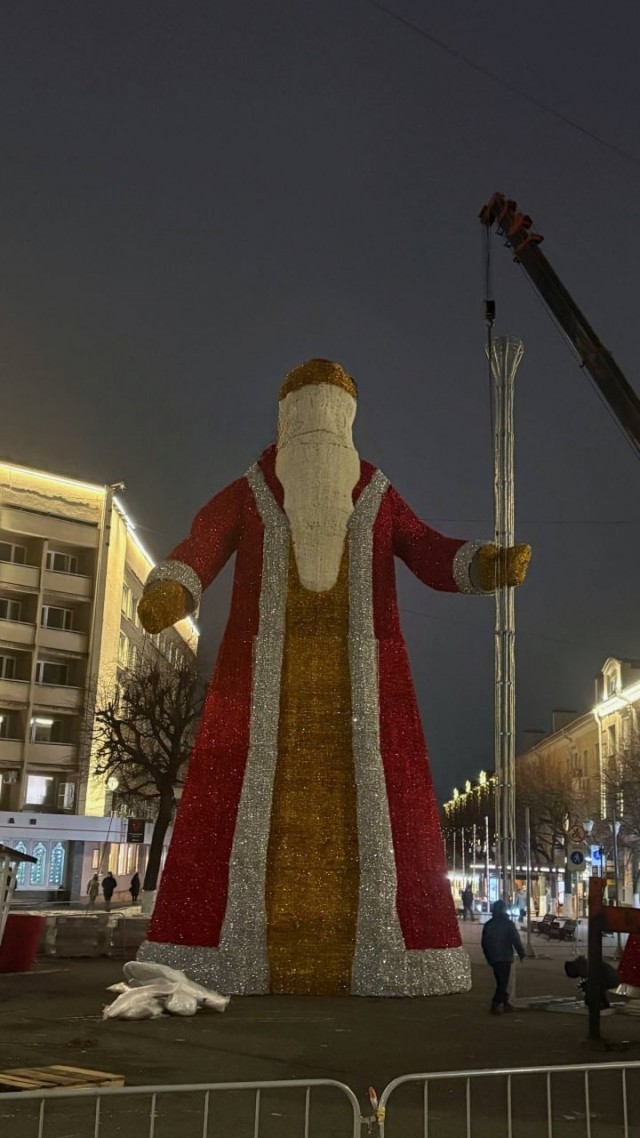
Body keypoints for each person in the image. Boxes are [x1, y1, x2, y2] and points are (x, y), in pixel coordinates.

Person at [136, 358, 531, 996]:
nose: (320, 427)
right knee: (234, 807)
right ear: (289, 420)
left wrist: (484, 564)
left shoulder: (373, 491)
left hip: (366, 687)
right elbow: (200, 545)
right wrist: (172, 591)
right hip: (260, 685)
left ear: (345, 422)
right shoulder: (251, 490)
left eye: (331, 414)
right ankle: (222, 955)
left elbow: (428, 549)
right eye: (310, 413)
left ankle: (389, 960)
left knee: (380, 806)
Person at [481, 899, 525, 1014]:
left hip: (493, 957)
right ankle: (496, 1003)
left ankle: (505, 1003)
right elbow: (515, 939)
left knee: (501, 980)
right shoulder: (508, 924)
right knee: (503, 982)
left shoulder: (488, 925)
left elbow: (484, 943)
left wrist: (488, 956)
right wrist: (521, 952)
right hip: (505, 956)